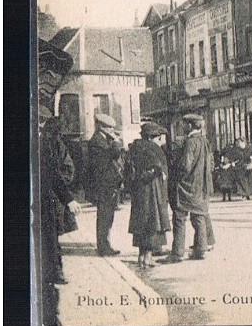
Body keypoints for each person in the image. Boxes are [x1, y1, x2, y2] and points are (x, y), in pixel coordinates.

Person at [39, 115, 81, 326]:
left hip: (51, 198)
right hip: (49, 199)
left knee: (52, 237)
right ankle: (54, 273)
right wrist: (69, 198)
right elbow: (55, 172)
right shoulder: (48, 145)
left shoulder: (50, 143)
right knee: (50, 239)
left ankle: (56, 271)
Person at [164, 114, 212, 263]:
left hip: (187, 186)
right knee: (199, 217)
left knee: (179, 217)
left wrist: (174, 174)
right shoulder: (204, 141)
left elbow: (185, 165)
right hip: (201, 185)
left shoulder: (190, 142)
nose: (183, 127)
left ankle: (177, 253)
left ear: (190, 126)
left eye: (184, 124)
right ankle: (201, 249)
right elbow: (210, 163)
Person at [127, 122, 171, 268]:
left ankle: (141, 256)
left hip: (138, 192)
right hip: (152, 191)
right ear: (154, 137)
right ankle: (148, 257)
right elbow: (159, 168)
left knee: (141, 222)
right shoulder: (153, 149)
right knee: (153, 222)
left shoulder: (134, 147)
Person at [86, 113, 124, 256]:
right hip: (103, 185)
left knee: (108, 216)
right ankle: (103, 246)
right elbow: (114, 154)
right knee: (104, 216)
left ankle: (105, 243)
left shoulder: (103, 140)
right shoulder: (97, 142)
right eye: (108, 127)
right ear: (101, 126)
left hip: (109, 184)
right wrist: (115, 140)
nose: (111, 130)